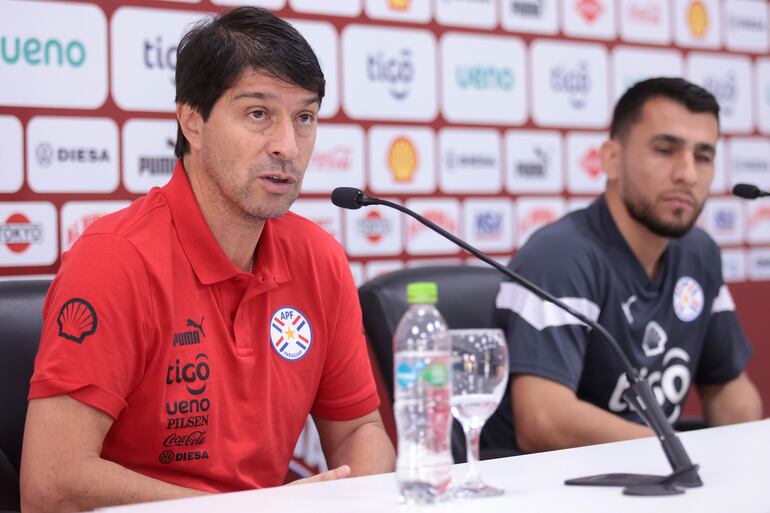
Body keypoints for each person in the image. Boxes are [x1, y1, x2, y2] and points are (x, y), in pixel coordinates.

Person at [20, 7, 395, 512]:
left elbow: (357, 430)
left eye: (304, 117)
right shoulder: (115, 260)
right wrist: (252, 509)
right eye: (258, 114)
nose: (288, 146)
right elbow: (51, 486)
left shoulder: (319, 259)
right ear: (192, 120)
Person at [483, 77, 763, 455]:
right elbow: (545, 421)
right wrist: (679, 452)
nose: (688, 174)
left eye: (703, 156)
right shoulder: (560, 255)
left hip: (655, 479)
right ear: (611, 159)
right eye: (665, 150)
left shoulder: (699, 252)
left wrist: (746, 453)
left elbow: (727, 386)